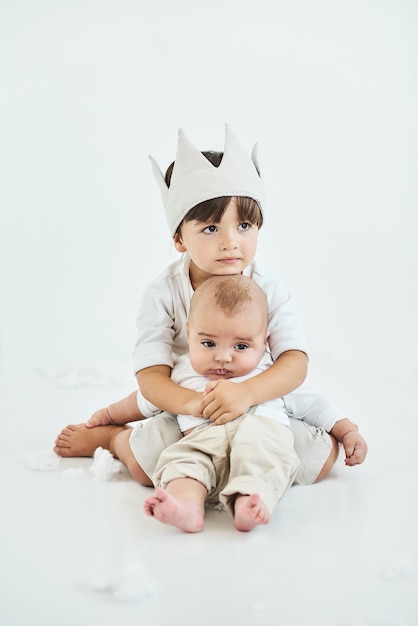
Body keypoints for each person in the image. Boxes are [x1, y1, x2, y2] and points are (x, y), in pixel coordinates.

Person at [54, 125, 367, 489]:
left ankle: (243, 471)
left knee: (316, 459)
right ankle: (113, 438)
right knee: (145, 466)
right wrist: (194, 405)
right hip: (189, 405)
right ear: (179, 238)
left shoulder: (267, 287)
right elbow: (152, 377)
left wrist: (247, 394)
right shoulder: (163, 293)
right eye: (211, 228)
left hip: (258, 403)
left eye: (244, 225)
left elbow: (294, 363)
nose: (230, 243)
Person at [144, 273, 300, 532]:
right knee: (183, 460)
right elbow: (146, 397)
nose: (223, 357)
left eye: (240, 346)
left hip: (258, 432)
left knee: (263, 457)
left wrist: (344, 428)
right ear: (189, 333)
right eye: (208, 343)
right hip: (203, 439)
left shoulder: (270, 371)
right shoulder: (181, 371)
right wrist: (108, 415)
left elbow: (310, 400)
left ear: (264, 342)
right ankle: (186, 506)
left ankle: (248, 502)